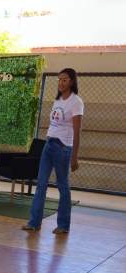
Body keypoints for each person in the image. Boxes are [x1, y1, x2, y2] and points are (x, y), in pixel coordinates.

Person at [24, 68, 83, 235]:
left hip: (63, 147)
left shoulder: (76, 102)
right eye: (59, 80)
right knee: (41, 183)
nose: (61, 83)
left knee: (62, 185)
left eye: (64, 80)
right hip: (49, 144)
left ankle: (63, 225)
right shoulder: (58, 100)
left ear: (72, 81)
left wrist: (74, 156)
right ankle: (34, 222)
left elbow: (77, 131)